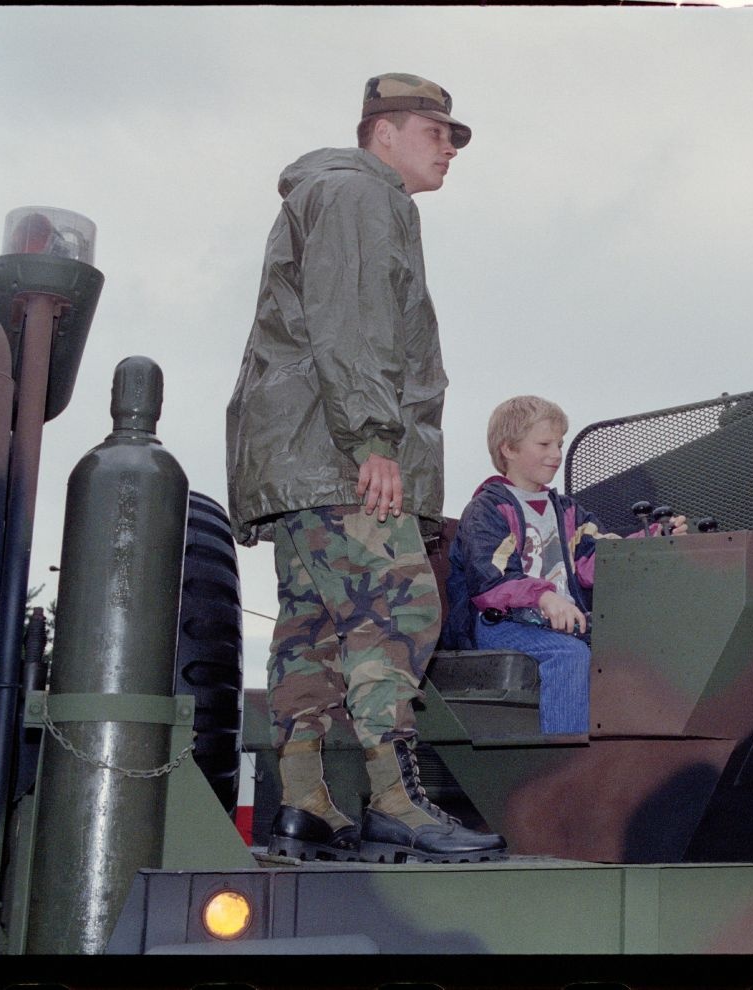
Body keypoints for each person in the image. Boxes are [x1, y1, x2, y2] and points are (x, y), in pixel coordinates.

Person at [225, 73, 505, 864]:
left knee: (310, 634)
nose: (450, 148)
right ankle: (394, 801)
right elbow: (351, 320)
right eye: (435, 131)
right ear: (382, 131)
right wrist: (374, 439)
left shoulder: (334, 194)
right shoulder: (361, 194)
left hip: (305, 464)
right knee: (397, 611)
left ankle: (306, 803)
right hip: (339, 454)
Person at [450, 396, 684, 734]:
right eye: (544, 444)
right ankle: (567, 764)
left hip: (562, 624)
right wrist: (546, 597)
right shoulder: (486, 510)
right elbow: (490, 583)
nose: (557, 454)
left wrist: (653, 538)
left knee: (638, 653)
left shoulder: (567, 511)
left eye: (559, 444)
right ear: (509, 449)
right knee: (569, 657)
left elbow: (596, 559)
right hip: (503, 624)